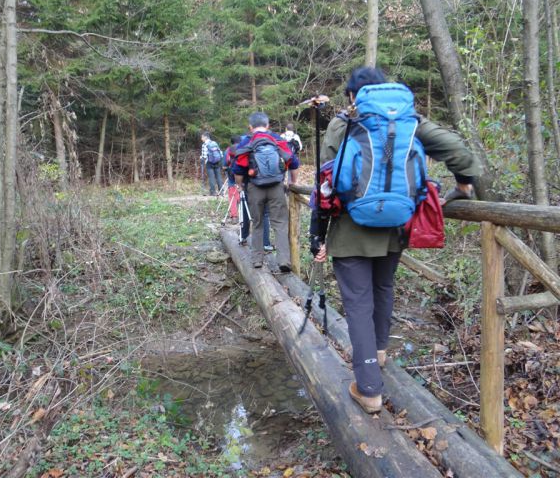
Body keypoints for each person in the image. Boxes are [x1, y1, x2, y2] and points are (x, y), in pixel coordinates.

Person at [312, 67, 479, 413]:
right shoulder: (410, 121)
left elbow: (325, 182)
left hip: (350, 230)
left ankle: (370, 389)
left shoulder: (344, 123)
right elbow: (460, 153)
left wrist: (318, 234)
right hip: (395, 228)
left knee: (358, 304)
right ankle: (380, 352)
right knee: (384, 288)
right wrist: (463, 183)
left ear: (353, 96)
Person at [233, 112, 299, 271]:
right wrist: (292, 182)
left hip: (255, 187)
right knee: (280, 223)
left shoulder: (247, 142)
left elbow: (238, 169)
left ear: (250, 127)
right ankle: (283, 260)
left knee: (257, 223)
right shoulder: (277, 139)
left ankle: (257, 259)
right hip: (276, 186)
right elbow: (293, 162)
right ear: (268, 125)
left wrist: (240, 185)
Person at [200, 131, 224, 195]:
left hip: (209, 163)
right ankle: (221, 191)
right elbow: (220, 153)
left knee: (211, 177)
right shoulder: (214, 142)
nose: (201, 139)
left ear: (205, 137)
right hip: (217, 162)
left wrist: (201, 158)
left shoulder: (204, 145)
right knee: (218, 176)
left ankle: (213, 192)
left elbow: (204, 156)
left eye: (202, 137)